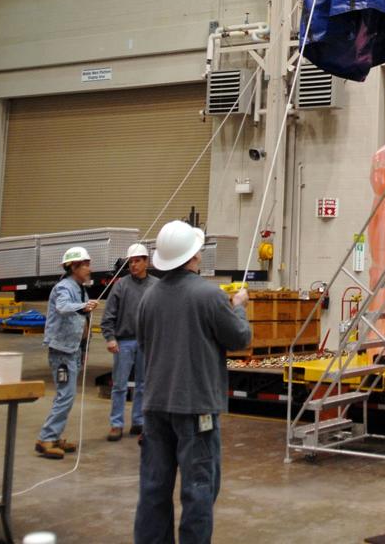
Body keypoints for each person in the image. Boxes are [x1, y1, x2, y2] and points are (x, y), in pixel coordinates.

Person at [134, 220, 251, 544]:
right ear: (194, 256)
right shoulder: (209, 296)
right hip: (196, 407)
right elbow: (239, 338)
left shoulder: (148, 299)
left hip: (155, 406)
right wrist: (238, 308)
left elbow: (145, 345)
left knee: (153, 488)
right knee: (199, 489)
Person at [34, 246, 99, 459]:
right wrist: (83, 307)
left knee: (66, 396)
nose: (89, 268)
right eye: (85, 264)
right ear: (73, 266)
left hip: (74, 349)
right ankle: (46, 438)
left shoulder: (80, 288)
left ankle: (54, 436)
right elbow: (63, 307)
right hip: (62, 351)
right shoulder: (64, 288)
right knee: (66, 395)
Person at [101, 243, 152, 442]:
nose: (133, 265)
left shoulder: (155, 286)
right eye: (130, 262)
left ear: (146, 262)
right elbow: (108, 315)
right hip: (124, 343)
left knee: (144, 385)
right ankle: (116, 424)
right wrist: (110, 338)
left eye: (137, 261)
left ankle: (139, 421)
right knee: (119, 385)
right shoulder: (120, 285)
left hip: (147, 343)